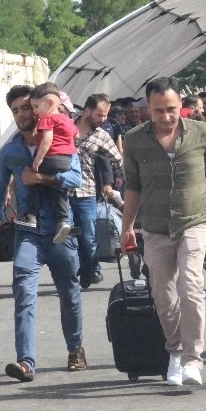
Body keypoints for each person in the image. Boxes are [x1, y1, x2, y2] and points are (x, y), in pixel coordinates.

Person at [121, 77, 206, 386]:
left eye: (172, 109)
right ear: (147, 108)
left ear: (182, 106)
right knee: (163, 295)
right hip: (155, 227)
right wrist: (127, 227)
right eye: (159, 111)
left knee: (190, 286)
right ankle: (175, 353)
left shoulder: (202, 133)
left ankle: (193, 359)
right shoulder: (135, 140)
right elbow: (133, 188)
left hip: (194, 220)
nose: (166, 117)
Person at [0, 85, 85, 382]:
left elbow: (76, 178)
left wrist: (40, 177)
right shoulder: (11, 152)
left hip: (60, 231)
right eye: (14, 111)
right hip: (27, 231)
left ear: (38, 107)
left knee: (69, 293)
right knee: (24, 292)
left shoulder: (63, 139)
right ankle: (26, 362)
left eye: (25, 108)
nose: (21, 115)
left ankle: (75, 348)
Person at [72, 93, 124, 289]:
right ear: (87, 111)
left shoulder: (101, 135)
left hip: (86, 192)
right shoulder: (67, 127)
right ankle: (77, 270)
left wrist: (126, 181)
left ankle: (88, 267)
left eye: (105, 116)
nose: (103, 120)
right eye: (99, 115)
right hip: (62, 191)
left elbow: (118, 160)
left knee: (87, 237)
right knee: (65, 236)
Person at [14, 83, 77, 245]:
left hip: (51, 157)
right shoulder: (66, 119)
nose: (35, 111)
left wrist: (38, 159)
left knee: (34, 181)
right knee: (58, 190)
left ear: (49, 103)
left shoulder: (47, 119)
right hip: (66, 160)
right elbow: (75, 135)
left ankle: (31, 216)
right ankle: (62, 221)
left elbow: (47, 139)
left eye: (35, 106)